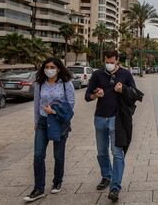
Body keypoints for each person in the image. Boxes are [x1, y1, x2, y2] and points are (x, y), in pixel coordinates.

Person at [85, 49, 136, 202]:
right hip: (100, 118)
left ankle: (115, 187)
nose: (109, 64)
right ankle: (106, 176)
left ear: (117, 60)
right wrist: (95, 95)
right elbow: (87, 96)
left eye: (112, 62)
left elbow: (134, 94)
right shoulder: (97, 75)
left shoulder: (126, 74)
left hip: (116, 118)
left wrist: (123, 89)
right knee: (101, 152)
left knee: (117, 152)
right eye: (107, 62)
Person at [24, 58, 75, 202]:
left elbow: (70, 107)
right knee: (38, 155)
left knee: (58, 155)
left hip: (58, 122)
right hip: (42, 122)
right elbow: (36, 104)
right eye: (46, 67)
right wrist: (35, 121)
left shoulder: (66, 84)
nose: (49, 69)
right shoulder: (40, 84)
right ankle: (38, 188)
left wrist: (53, 112)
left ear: (58, 68)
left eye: (52, 66)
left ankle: (57, 180)